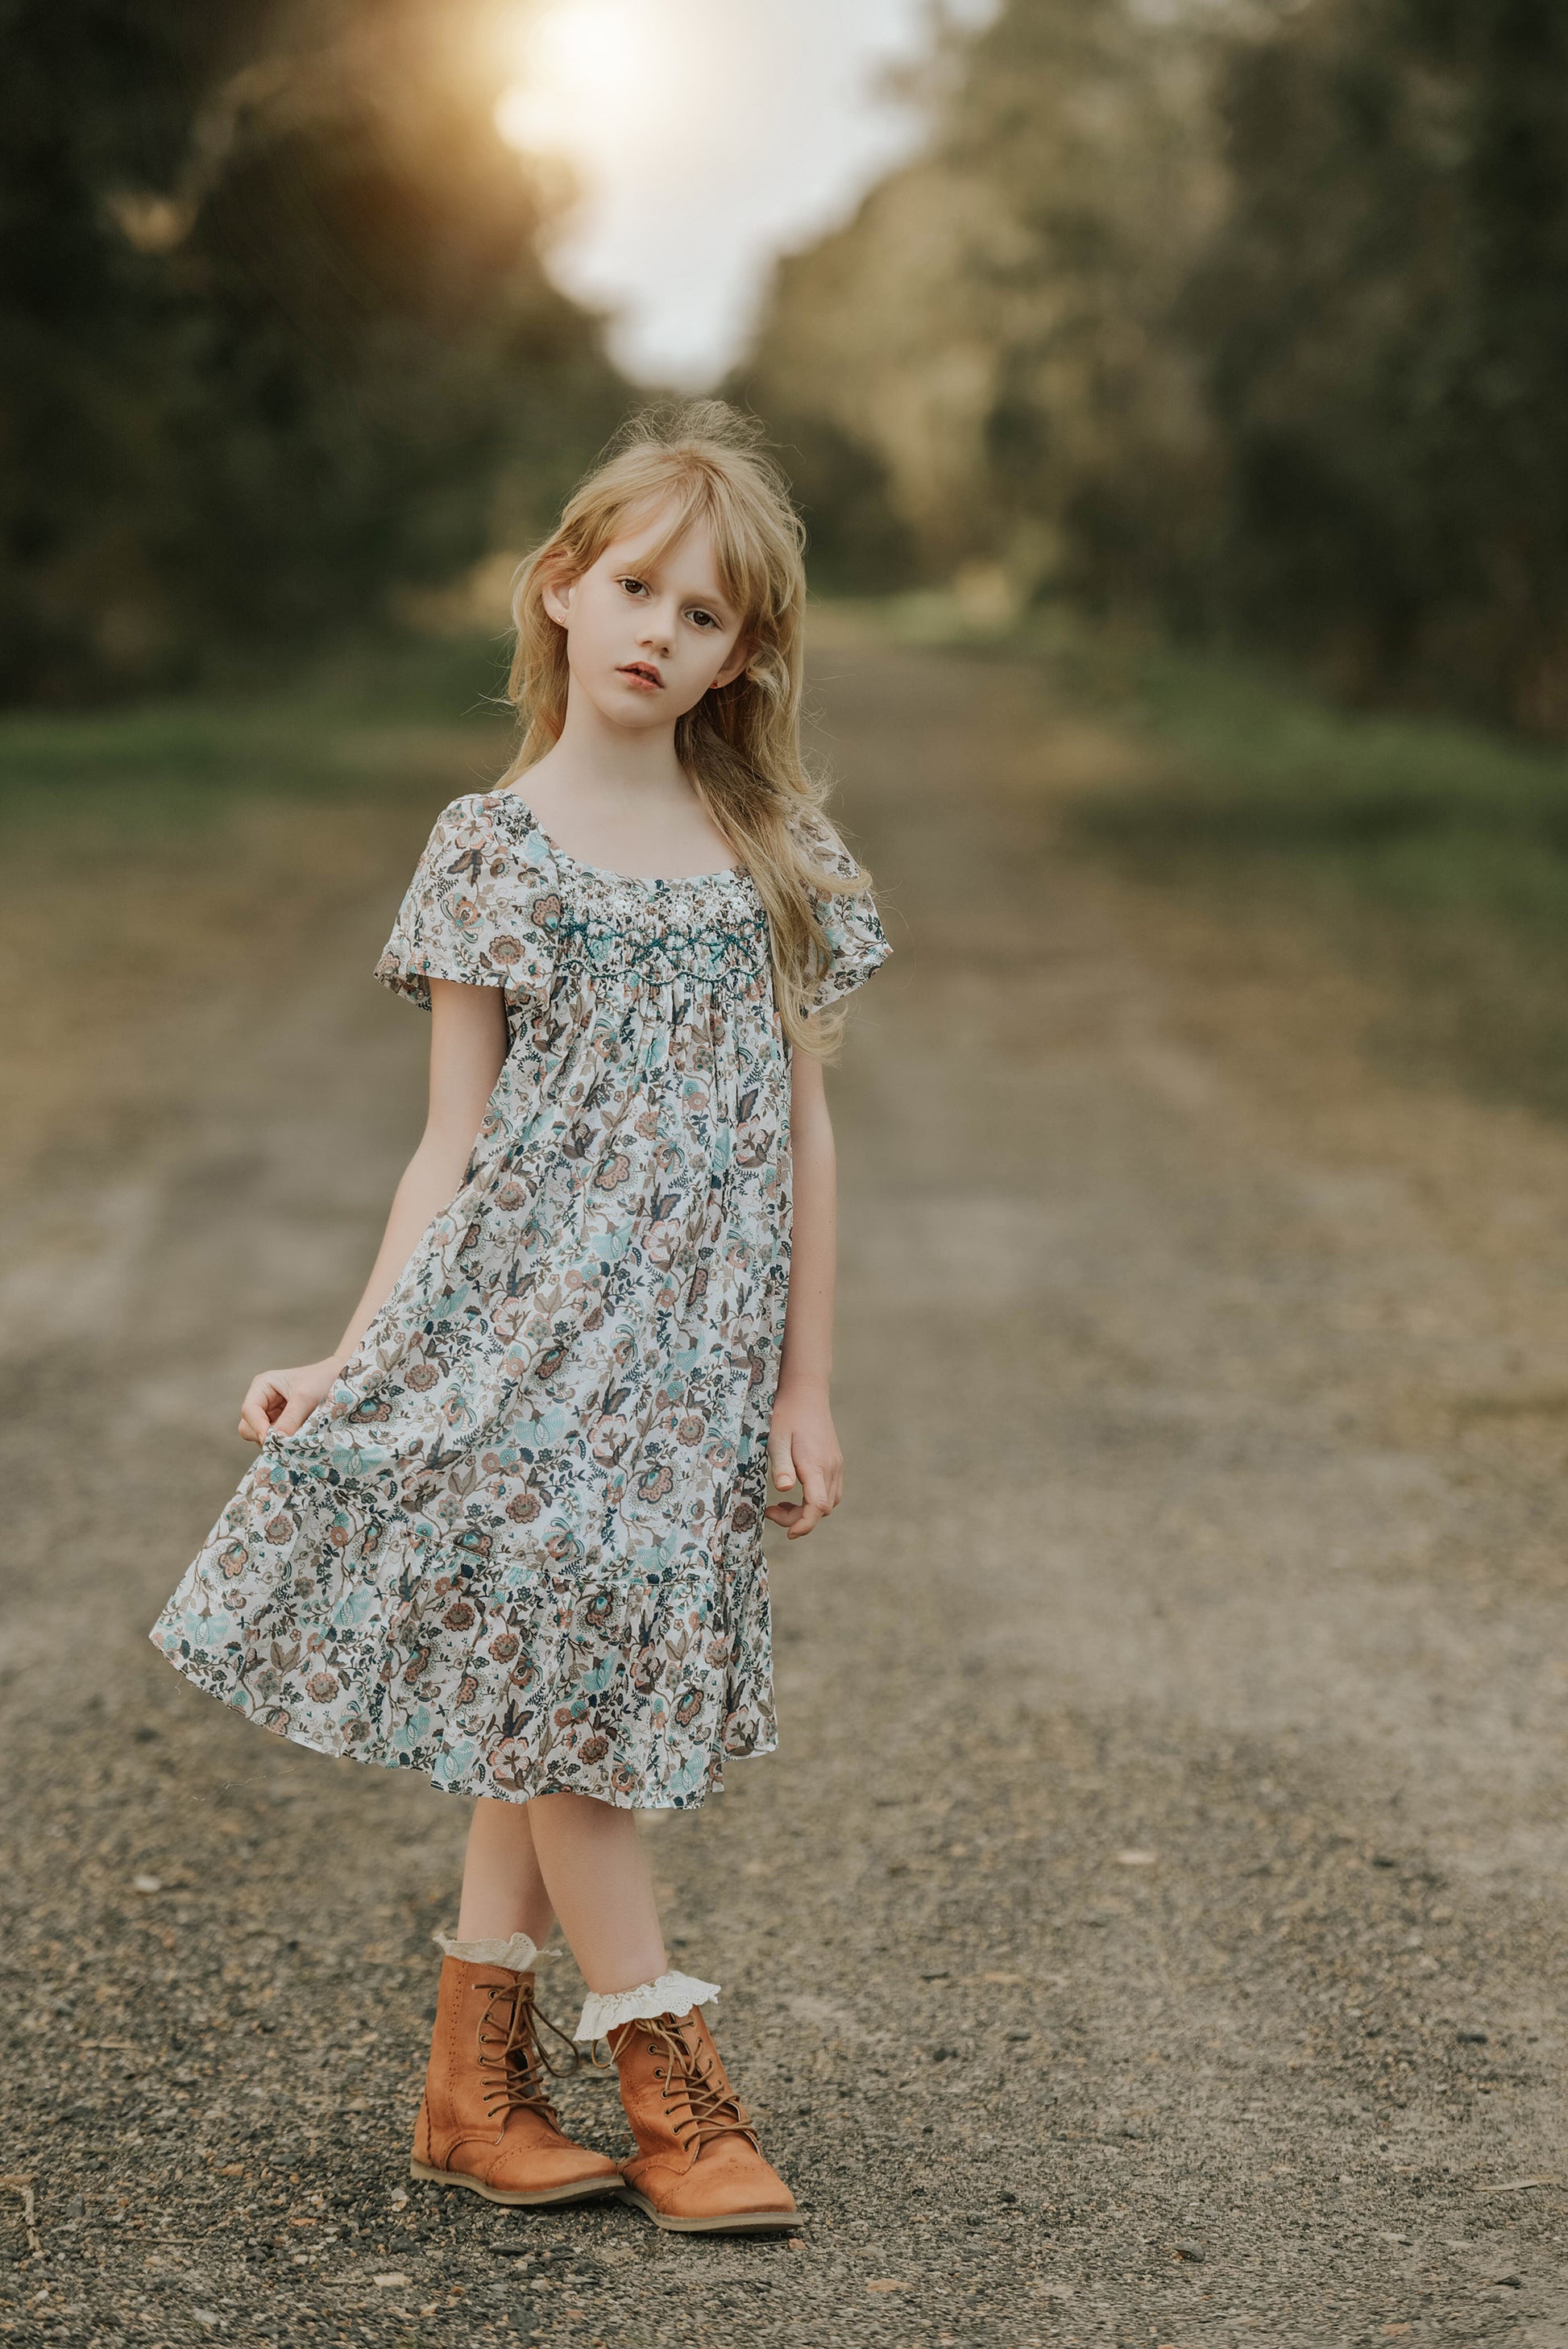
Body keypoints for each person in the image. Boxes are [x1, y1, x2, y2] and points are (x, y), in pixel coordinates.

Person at [150, 401, 890, 2235]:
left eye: (707, 616)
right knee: (570, 1716)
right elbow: (446, 1152)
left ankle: (472, 2091)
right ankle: (671, 2081)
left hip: (688, 1367)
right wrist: (353, 1353)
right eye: (633, 586)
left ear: (744, 655)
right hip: (515, 1351)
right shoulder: (492, 850)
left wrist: (805, 1377)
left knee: (551, 1693)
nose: (660, 631)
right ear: (559, 588)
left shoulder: (770, 851)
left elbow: (803, 1125)